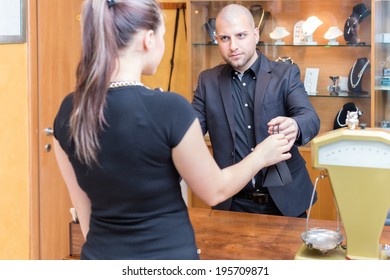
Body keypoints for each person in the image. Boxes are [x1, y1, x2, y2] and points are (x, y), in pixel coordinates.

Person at [53, 0, 291, 260]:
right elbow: (215, 189)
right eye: (163, 36)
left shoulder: (69, 110)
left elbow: (85, 217)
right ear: (149, 39)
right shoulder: (169, 109)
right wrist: (262, 155)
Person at [192, 4, 320, 217]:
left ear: (255, 34)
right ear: (216, 39)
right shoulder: (207, 81)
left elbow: (310, 118)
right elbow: (190, 130)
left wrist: (295, 125)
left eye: (241, 35)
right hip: (232, 202)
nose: (233, 46)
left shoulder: (286, 74)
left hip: (285, 201)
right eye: (225, 38)